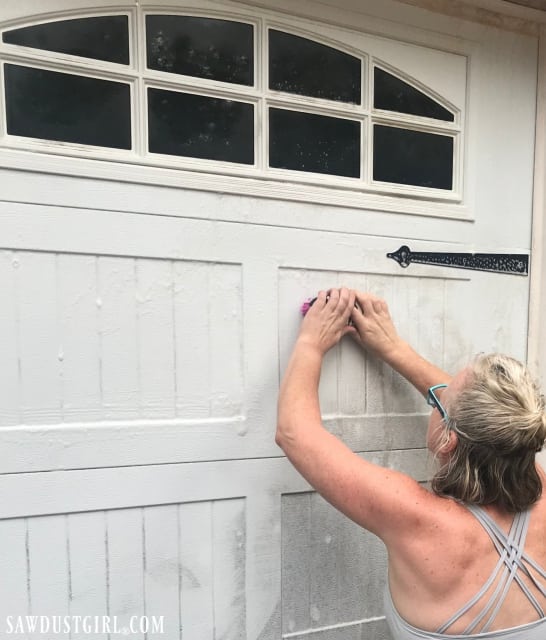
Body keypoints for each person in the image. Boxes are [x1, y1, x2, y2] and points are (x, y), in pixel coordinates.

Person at [276, 288, 546, 638]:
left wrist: (311, 343)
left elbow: (295, 432)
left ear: (449, 440)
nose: (437, 393)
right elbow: (484, 420)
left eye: (440, 399)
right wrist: (393, 348)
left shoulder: (416, 517)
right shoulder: (529, 468)